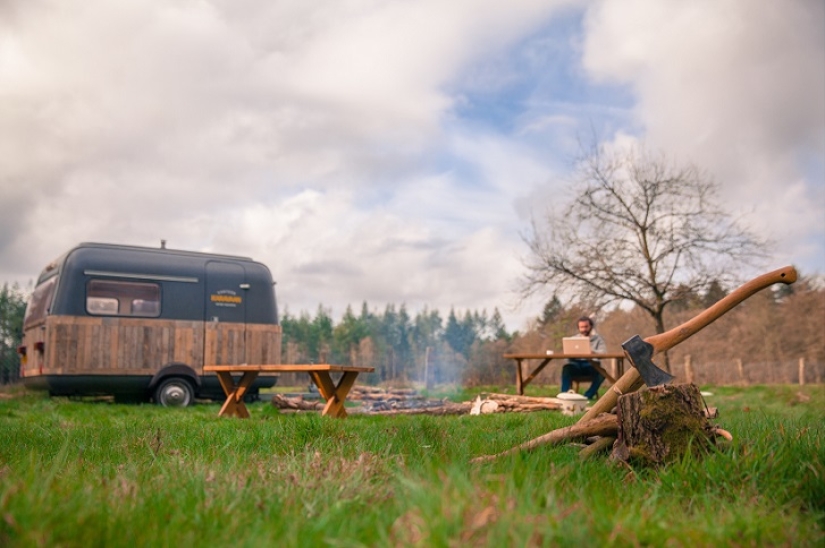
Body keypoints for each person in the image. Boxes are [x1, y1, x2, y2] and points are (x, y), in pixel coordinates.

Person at [560, 316, 607, 400]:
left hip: (592, 365)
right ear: (578, 328)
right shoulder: (573, 339)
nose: (584, 329)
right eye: (581, 327)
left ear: (591, 327)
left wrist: (592, 352)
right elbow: (566, 357)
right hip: (576, 365)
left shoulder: (598, 339)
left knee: (602, 373)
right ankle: (564, 396)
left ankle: (587, 396)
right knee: (566, 368)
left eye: (586, 327)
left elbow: (603, 353)